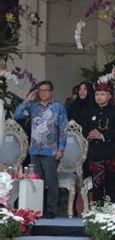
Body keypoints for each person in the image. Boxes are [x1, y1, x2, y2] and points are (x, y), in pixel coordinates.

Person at [14, 80, 67, 219]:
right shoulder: (33, 107)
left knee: (51, 181)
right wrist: (27, 100)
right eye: (40, 91)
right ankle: (37, 209)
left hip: (51, 151)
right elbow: (17, 115)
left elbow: (63, 129)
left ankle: (51, 210)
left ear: (51, 92)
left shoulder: (58, 108)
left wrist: (61, 149)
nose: (43, 93)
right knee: (36, 182)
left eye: (46, 90)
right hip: (35, 150)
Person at [83, 83, 115, 204]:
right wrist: (89, 134)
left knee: (110, 183)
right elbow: (84, 129)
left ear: (109, 96)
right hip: (95, 153)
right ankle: (98, 211)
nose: (99, 97)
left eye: (102, 94)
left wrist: (102, 136)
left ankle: (111, 212)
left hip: (110, 153)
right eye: (97, 94)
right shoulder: (90, 110)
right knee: (97, 184)